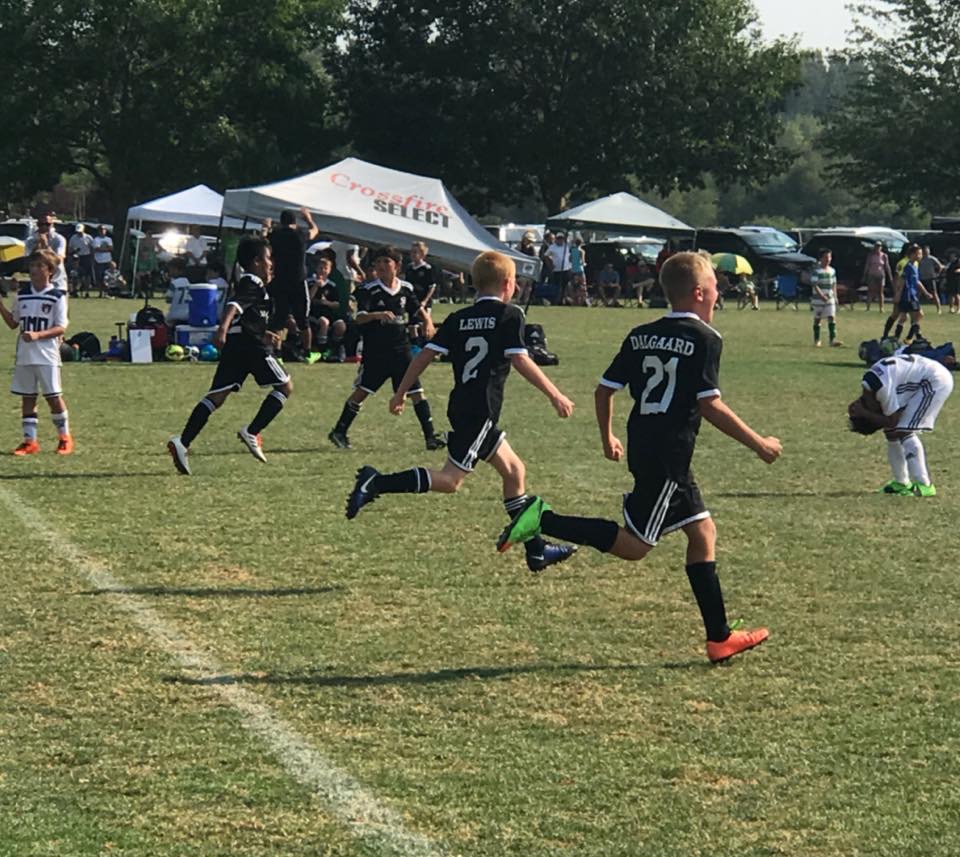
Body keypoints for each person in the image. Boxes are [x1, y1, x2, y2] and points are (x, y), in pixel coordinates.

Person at [497, 251, 782, 663]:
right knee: (634, 547)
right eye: (716, 287)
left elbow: (603, 390)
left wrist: (607, 435)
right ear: (700, 292)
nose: (719, 293)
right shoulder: (706, 338)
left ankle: (720, 637)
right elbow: (710, 405)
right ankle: (542, 518)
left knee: (702, 533)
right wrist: (760, 444)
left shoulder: (640, 333)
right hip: (669, 453)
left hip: (647, 443)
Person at [344, 250, 578, 573]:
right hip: (480, 410)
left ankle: (536, 550)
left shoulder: (458, 318)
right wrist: (556, 395)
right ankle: (376, 482)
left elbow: (423, 355)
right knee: (451, 480)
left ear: (472, 283)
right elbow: (521, 360)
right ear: (509, 284)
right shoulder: (510, 315)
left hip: (464, 406)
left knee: (515, 472)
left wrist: (400, 392)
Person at [167, 236, 292, 475]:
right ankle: (252, 431)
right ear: (256, 262)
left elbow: (246, 315)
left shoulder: (253, 284)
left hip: (239, 343)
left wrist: (262, 331)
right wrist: (221, 329)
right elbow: (234, 306)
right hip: (249, 346)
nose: (271, 264)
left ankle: (183, 442)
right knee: (285, 387)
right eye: (268, 259)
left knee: (217, 396)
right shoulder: (252, 281)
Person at [328, 246, 445, 450]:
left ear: (397, 266)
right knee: (362, 391)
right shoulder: (368, 289)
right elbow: (358, 317)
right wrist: (377, 315)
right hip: (377, 352)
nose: (381, 266)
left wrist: (427, 321)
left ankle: (430, 438)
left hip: (402, 350)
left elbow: (416, 308)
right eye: (378, 262)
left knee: (417, 392)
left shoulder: (405, 288)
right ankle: (339, 431)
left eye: (386, 262)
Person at [848, 352, 954, 496]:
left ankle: (925, 486)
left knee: (904, 431)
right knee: (891, 432)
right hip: (924, 378)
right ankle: (901, 482)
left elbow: (892, 421)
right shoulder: (870, 385)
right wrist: (866, 413)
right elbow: (890, 423)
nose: (856, 404)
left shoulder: (881, 388)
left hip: (934, 381)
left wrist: (866, 415)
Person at [0, 249, 73, 455]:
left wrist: (38, 335)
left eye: (39, 266)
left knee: (53, 396)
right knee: (27, 397)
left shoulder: (56, 296)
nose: (34, 270)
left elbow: (61, 327)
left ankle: (64, 437)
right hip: (24, 354)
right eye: (32, 266)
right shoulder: (23, 295)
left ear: (50, 270)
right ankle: (29, 441)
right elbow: (14, 323)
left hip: (47, 354)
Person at [269, 207, 318, 358]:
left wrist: (267, 227)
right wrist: (309, 219)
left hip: (279, 280)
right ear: (294, 221)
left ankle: (276, 352)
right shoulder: (299, 234)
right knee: (302, 318)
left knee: (279, 317)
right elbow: (315, 231)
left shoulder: (275, 235)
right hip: (298, 280)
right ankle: (307, 352)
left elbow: (264, 241)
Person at [882, 243, 935, 344]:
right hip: (906, 295)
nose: (921, 255)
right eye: (919, 253)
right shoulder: (903, 263)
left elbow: (916, 280)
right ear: (911, 252)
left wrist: (925, 292)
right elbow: (899, 279)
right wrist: (897, 293)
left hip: (911, 294)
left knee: (905, 317)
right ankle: (911, 337)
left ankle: (903, 337)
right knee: (903, 315)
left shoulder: (915, 264)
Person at [25, 213, 67, 290]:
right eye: (41, 224)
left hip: (57, 282)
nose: (44, 227)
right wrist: (37, 246)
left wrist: (46, 245)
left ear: (52, 225)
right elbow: (28, 260)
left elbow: (59, 260)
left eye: (47, 224)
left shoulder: (59, 239)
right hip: (37, 284)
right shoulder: (30, 240)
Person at [810, 248, 843, 347]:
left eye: (829, 257)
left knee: (832, 317)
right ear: (821, 258)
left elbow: (834, 284)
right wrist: (821, 295)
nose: (828, 259)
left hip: (829, 298)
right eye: (826, 257)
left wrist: (835, 296)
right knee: (818, 319)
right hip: (818, 299)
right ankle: (817, 340)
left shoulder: (832, 271)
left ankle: (832, 340)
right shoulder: (817, 271)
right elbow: (815, 285)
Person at [861, 242, 892, 312]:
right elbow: (867, 266)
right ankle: (868, 307)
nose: (878, 248)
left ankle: (881, 308)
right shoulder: (870, 255)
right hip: (871, 275)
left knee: (880, 292)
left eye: (879, 246)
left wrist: (890, 276)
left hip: (881, 275)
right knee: (870, 291)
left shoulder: (884, 256)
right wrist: (864, 275)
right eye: (877, 246)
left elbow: (887, 266)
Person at [67, 224, 94, 297]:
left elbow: (92, 248)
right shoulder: (73, 238)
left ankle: (87, 291)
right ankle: (75, 290)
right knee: (76, 274)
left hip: (86, 257)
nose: (79, 233)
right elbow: (70, 249)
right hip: (77, 257)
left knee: (87, 275)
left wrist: (92, 258)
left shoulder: (88, 237)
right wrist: (74, 251)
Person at [918, 245, 943, 314]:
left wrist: (937, 274)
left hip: (930, 278)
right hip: (921, 278)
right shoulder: (920, 259)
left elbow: (940, 266)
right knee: (918, 294)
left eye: (927, 251)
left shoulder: (932, 258)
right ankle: (916, 308)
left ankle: (939, 309)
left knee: (934, 294)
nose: (926, 252)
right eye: (924, 251)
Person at [92, 225, 114, 293]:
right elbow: (97, 249)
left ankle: (108, 291)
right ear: (98, 231)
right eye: (101, 230)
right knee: (100, 277)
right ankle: (101, 292)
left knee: (108, 277)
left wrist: (102, 249)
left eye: (104, 229)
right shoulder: (96, 239)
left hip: (108, 261)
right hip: (99, 261)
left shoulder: (109, 239)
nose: (102, 231)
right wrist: (106, 249)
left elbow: (111, 248)